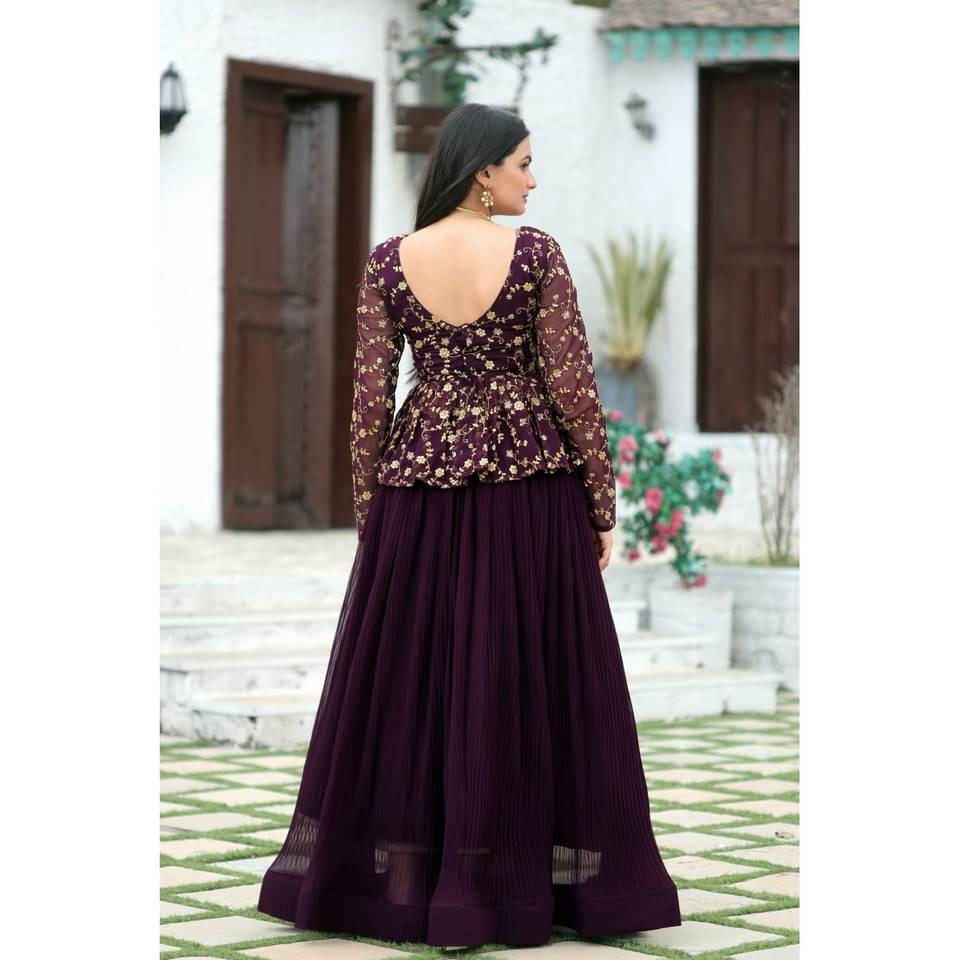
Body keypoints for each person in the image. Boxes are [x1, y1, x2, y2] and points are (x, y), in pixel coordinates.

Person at [256, 103, 682, 950]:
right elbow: (572, 389)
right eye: (523, 163)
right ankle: (522, 888)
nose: (533, 179)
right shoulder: (535, 255)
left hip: (416, 492)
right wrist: (600, 504)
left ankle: (414, 885)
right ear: (483, 171)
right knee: (529, 678)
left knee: (417, 686)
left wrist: (374, 519)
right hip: (529, 490)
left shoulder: (390, 260)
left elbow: (369, 403)